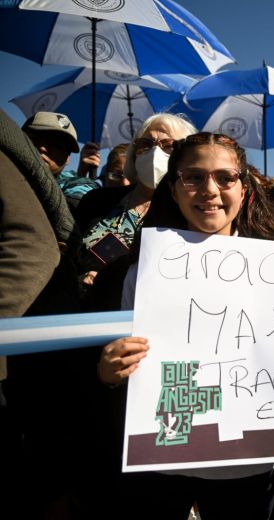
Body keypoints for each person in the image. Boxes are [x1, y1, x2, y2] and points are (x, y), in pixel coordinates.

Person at [93, 132, 274, 520]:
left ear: (244, 186)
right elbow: (114, 373)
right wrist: (109, 373)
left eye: (224, 178)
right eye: (193, 177)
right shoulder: (136, 274)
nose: (209, 190)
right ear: (175, 186)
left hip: (249, 458)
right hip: (163, 455)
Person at [0, 108, 89, 518]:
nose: (46, 149)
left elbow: (28, 248)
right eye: (38, 138)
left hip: (46, 354)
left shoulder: (82, 199)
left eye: (60, 147)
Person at [77, 114, 196, 296]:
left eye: (169, 146)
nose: (155, 153)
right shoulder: (96, 200)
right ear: (134, 153)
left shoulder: (192, 212)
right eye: (146, 145)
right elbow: (66, 255)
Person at [21, 111, 100, 209]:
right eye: (35, 138)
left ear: (67, 159)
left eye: (57, 146)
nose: (43, 148)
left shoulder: (77, 185)